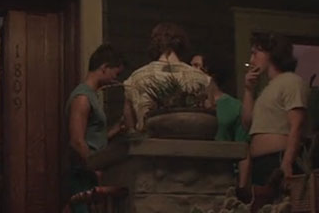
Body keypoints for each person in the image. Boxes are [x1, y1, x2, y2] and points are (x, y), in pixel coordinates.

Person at [66, 44, 126, 213]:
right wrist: (96, 170)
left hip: (90, 175)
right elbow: (77, 141)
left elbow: (92, 136)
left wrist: (115, 130)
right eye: (115, 73)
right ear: (104, 67)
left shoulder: (93, 96)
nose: (115, 79)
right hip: (84, 176)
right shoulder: (82, 97)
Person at [241, 33, 308, 186]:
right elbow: (247, 123)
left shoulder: (291, 81)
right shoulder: (266, 90)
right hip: (259, 162)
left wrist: (287, 162)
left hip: (278, 159)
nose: (251, 60)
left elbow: (297, 125)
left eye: (255, 53)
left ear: (270, 52)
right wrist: (249, 90)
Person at [123, 22, 212, 132]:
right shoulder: (202, 78)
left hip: (149, 141)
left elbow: (130, 124)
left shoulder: (135, 78)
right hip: (192, 140)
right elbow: (209, 115)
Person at [191, 52, 251, 186]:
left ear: (210, 73)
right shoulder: (189, 106)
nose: (190, 71)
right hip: (195, 177)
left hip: (224, 176)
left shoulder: (234, 106)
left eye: (196, 66)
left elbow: (243, 149)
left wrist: (242, 187)